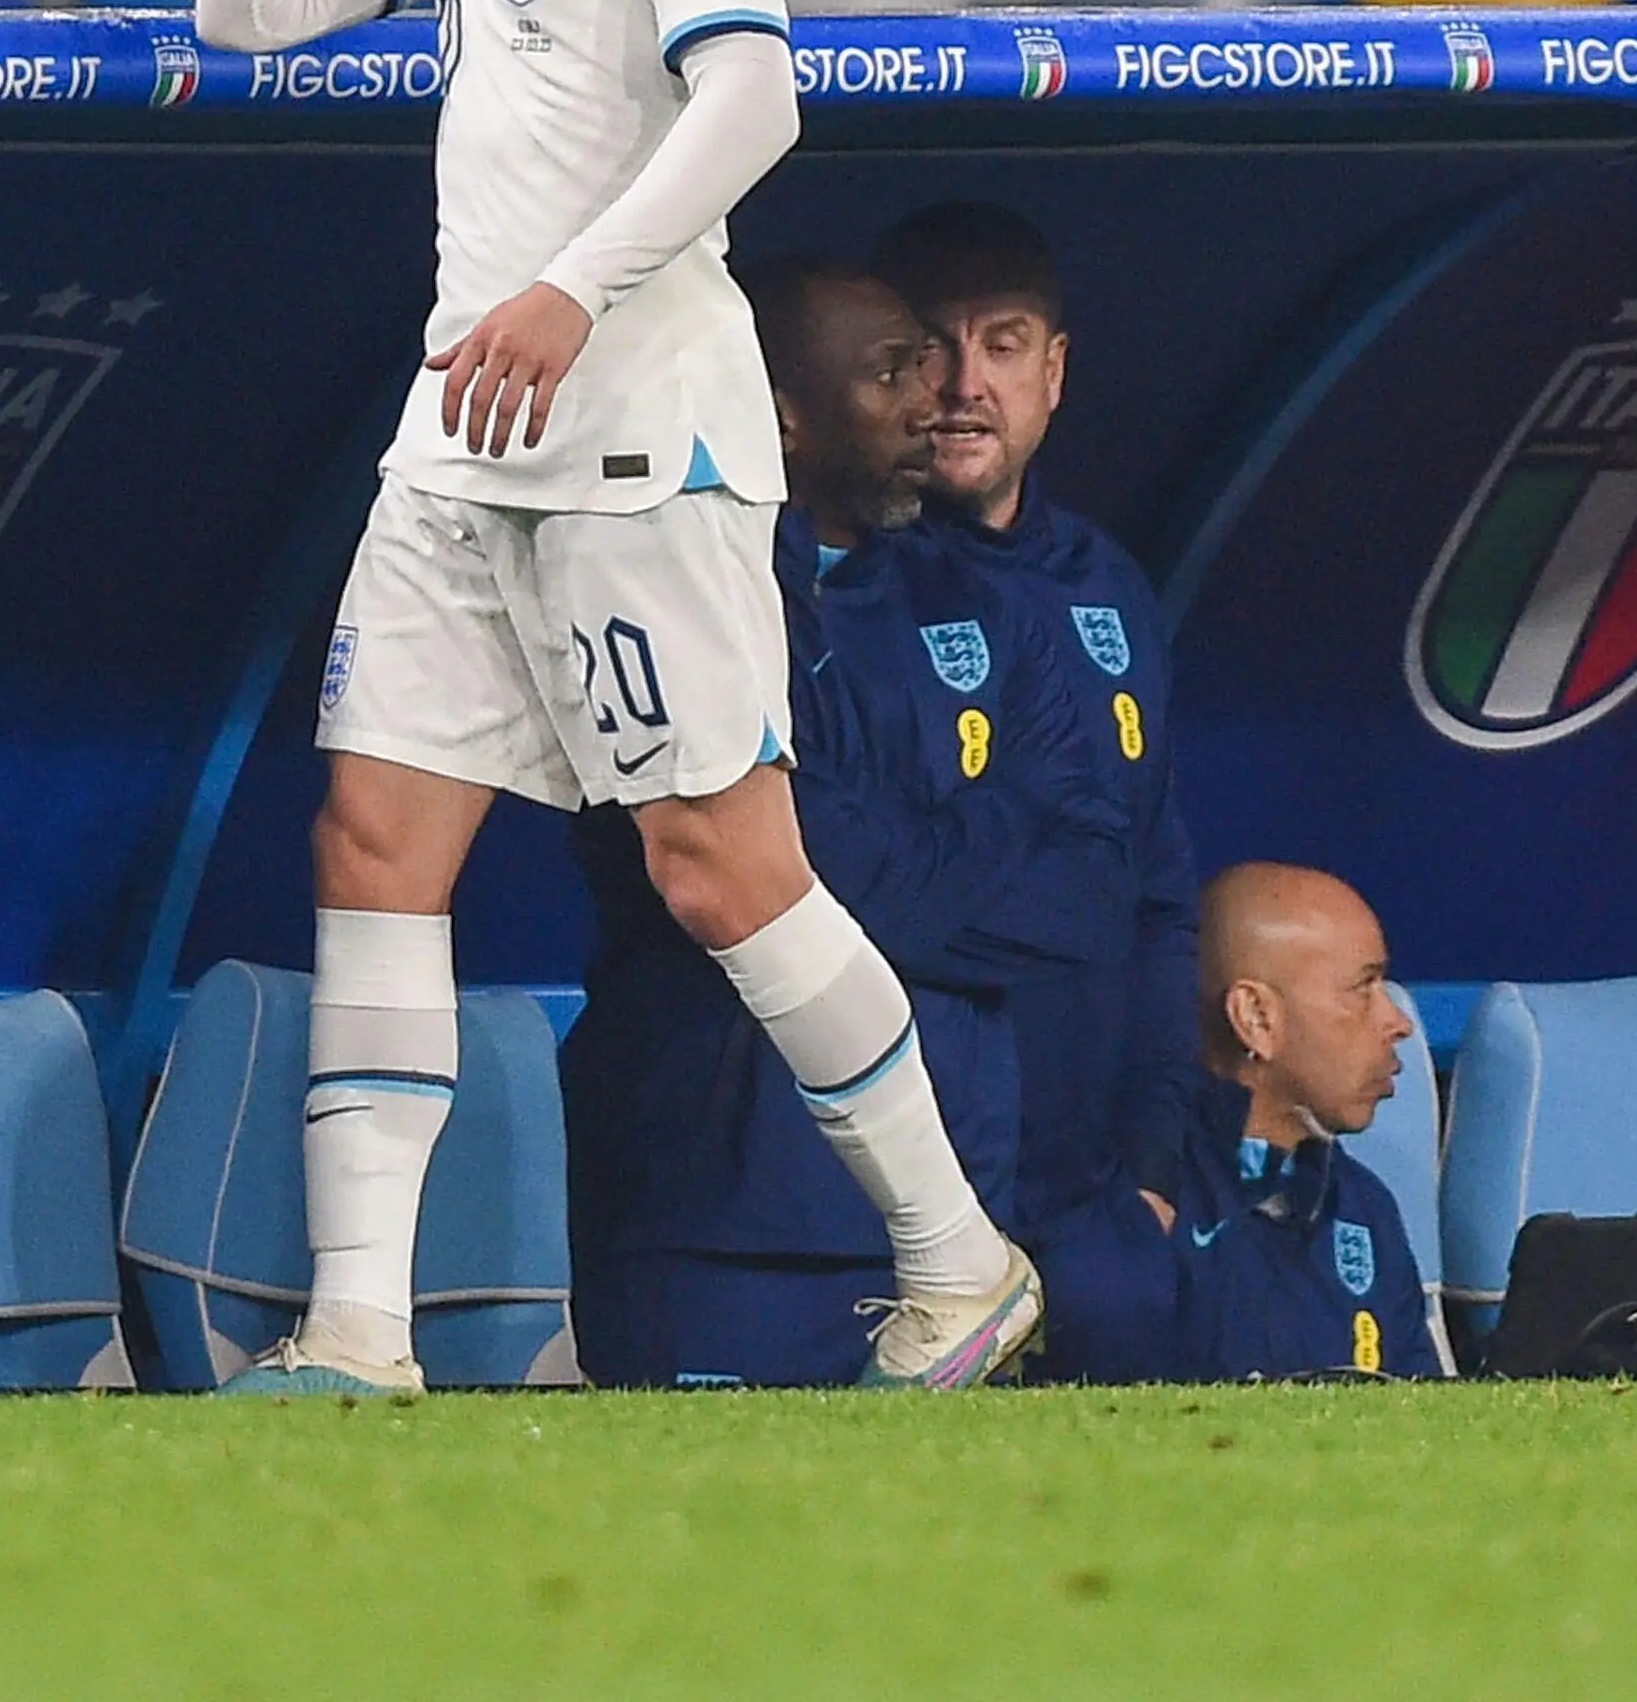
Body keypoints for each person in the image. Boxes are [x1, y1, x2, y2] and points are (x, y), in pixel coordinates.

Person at [189, 0, 1036, 1394]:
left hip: (642, 442)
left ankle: (958, 1261)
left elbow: (759, 91)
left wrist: (573, 289)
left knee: (723, 871)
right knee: (372, 839)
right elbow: (243, 15)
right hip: (458, 440)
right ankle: (356, 1331)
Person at [565, 262, 1132, 1384]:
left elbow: (1090, 880)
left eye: (925, 361)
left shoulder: (990, 601)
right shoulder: (671, 593)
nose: (934, 396)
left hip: (962, 1204)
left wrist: (879, 868)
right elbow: (761, 871)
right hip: (717, 1213)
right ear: (781, 413)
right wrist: (946, 851)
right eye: (891, 371)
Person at [875, 202, 1207, 1279]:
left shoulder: (1110, 583)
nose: (968, 383)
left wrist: (1153, 1160)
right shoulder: (843, 584)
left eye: (1005, 344)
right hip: (903, 1194)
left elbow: (1157, 888)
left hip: (1094, 1201)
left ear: (1054, 372)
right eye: (934, 346)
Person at [1034, 862, 1437, 1381]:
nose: (1397, 1022)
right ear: (1256, 1018)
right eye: (1364, 987)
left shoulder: (1365, 1206)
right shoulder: (1129, 1205)